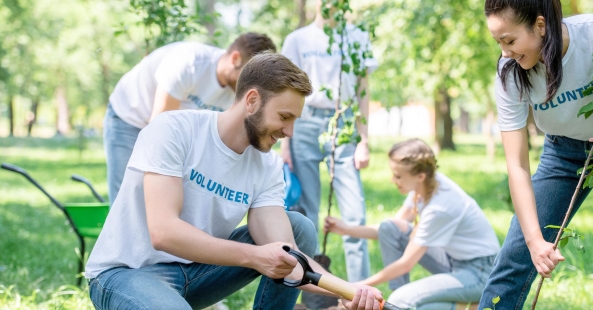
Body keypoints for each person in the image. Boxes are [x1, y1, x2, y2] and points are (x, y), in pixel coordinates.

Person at [85, 53, 383, 310]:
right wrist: (255, 256)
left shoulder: (268, 164)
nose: (289, 131)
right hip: (126, 274)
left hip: (198, 276)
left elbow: (289, 258)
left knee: (298, 227)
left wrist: (351, 292)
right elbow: (164, 232)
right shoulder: (174, 129)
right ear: (252, 100)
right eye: (284, 116)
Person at [479, 0, 593, 309]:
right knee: (514, 259)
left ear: (539, 25)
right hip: (563, 152)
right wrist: (536, 242)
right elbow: (517, 166)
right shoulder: (509, 72)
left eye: (509, 40)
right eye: (498, 42)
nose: (504, 51)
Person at [325, 139, 501, 310]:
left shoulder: (440, 207)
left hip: (479, 273)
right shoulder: (424, 185)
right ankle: (396, 300)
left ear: (420, 176)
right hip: (452, 260)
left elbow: (405, 264)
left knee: (402, 300)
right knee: (390, 228)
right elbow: (391, 228)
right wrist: (345, 229)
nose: (393, 180)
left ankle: (471, 306)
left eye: (398, 176)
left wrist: (357, 287)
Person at [104, 32, 277, 206]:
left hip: (168, 128)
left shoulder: (239, 93)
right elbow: (158, 127)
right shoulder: (190, 62)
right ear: (235, 58)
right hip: (130, 116)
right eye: (250, 76)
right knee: (128, 195)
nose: (252, 86)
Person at [280, 0, 377, 282]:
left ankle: (362, 289)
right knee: (306, 215)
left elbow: (362, 91)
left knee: (354, 216)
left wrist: (364, 139)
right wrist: (286, 142)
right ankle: (304, 285)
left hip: (344, 122)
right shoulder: (297, 39)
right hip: (304, 121)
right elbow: (286, 90)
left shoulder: (357, 36)